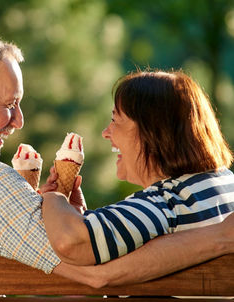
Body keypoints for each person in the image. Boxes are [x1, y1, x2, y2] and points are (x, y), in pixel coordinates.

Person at [0, 27, 233, 288]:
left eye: (115, 121)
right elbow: (92, 270)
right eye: (10, 104)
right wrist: (55, 198)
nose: (19, 121)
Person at [42, 70, 234, 278]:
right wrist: (80, 217)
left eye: (116, 120)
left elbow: (68, 242)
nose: (106, 132)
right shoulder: (225, 182)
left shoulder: (164, 203)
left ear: (152, 132)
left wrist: (54, 196)